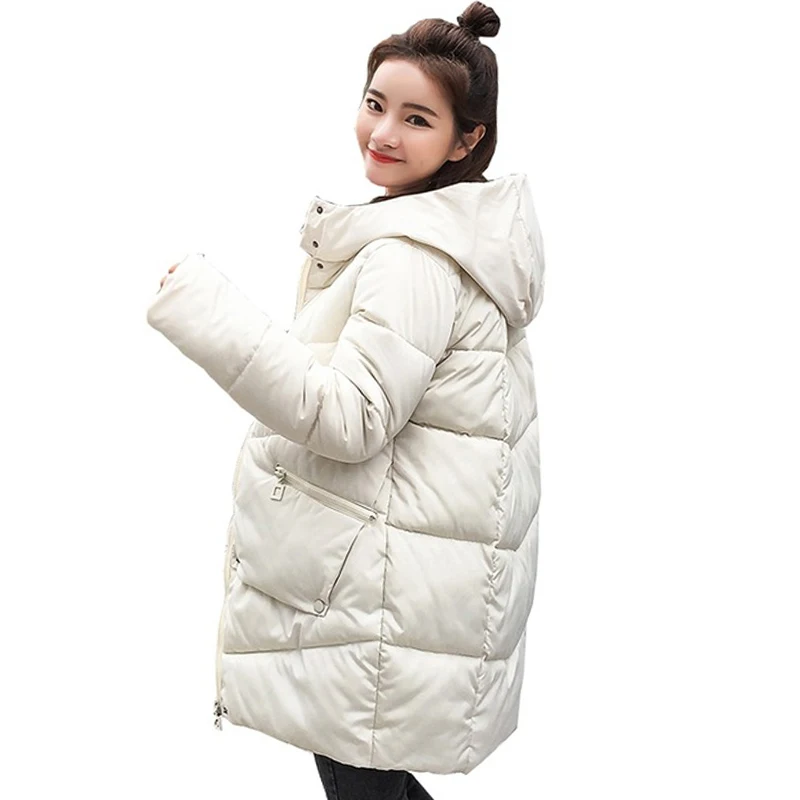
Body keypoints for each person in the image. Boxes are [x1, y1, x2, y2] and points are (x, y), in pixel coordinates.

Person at [146, 2, 545, 797]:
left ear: (466, 141)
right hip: (395, 586)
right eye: (375, 104)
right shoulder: (443, 239)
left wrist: (206, 311)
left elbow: (352, 417)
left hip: (379, 597)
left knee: (363, 783)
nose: (383, 133)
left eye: (417, 119)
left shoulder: (414, 257)